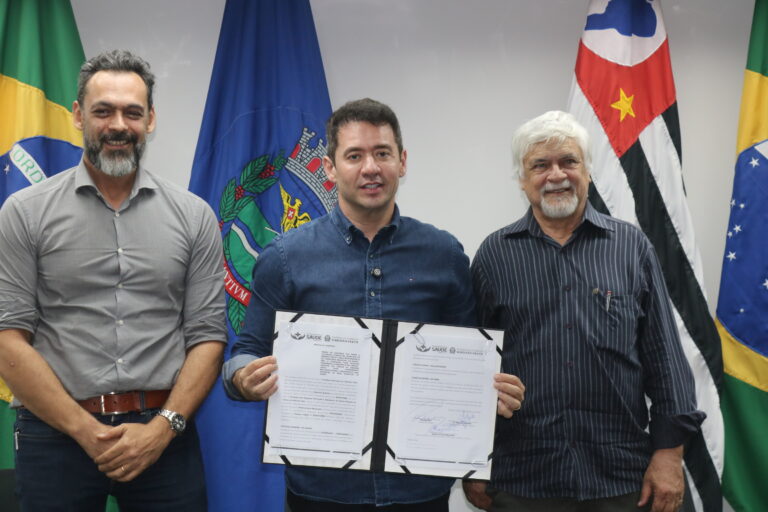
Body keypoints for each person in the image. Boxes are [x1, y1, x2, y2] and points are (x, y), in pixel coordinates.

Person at [222, 98, 525, 511]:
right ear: (330, 169)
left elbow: (468, 359)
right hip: (321, 491)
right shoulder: (285, 257)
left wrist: (489, 387)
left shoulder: (444, 254)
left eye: (382, 153)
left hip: (419, 491)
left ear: (402, 162)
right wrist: (244, 377)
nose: (370, 168)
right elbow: (244, 353)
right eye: (354, 155)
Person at [0, 50, 226, 511]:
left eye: (132, 112)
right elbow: (7, 338)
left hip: (164, 435)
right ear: (79, 116)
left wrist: (162, 429)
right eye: (103, 111)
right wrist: (86, 431)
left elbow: (207, 337)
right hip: (55, 434)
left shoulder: (194, 216)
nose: (117, 124)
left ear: (150, 120)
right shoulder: (24, 213)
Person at [464, 111, 704, 512]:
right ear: (522, 180)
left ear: (587, 171)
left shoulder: (631, 248)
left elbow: (666, 363)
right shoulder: (494, 256)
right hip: (524, 478)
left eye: (568, 161)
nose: (555, 174)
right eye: (540, 165)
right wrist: (472, 463)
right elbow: (470, 368)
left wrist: (669, 456)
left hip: (620, 478)